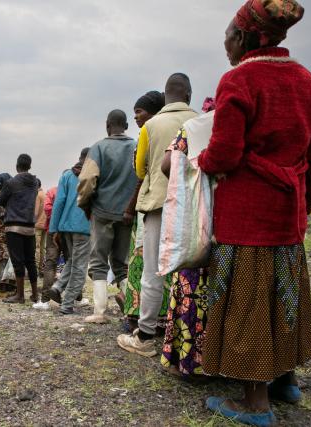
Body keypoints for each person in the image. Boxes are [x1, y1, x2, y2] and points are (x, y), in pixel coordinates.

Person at [199, 1, 311, 425]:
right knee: (283, 296)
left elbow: (226, 152)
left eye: (229, 37)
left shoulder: (240, 79)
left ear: (246, 37)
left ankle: (254, 404)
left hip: (247, 215)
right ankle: (286, 382)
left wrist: (197, 163)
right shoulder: (310, 82)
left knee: (249, 302)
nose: (226, 46)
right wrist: (301, 206)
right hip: (288, 213)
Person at [117, 73, 197, 355]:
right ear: (188, 95)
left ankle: (146, 335)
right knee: (189, 270)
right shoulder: (199, 121)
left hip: (158, 204)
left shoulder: (151, 126)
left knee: (153, 270)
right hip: (192, 207)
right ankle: (184, 336)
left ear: (166, 96)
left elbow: (140, 170)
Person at [159, 99, 216, 378]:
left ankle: (189, 362)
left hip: (199, 218)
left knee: (192, 281)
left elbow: (167, 164)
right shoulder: (247, 124)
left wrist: (195, 173)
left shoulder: (193, 128)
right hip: (238, 219)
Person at [77, 110, 137, 323]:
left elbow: (87, 181)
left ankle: (99, 312)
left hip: (102, 212)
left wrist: (85, 204)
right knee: (122, 264)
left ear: (107, 125)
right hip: (128, 214)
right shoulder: (136, 147)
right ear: (127, 125)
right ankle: (131, 307)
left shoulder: (99, 148)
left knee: (99, 261)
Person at [122, 91, 167, 332]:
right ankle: (163, 318)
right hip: (172, 203)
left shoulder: (148, 132)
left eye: (139, 111)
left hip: (149, 203)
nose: (136, 117)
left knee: (144, 262)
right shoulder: (176, 127)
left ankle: (139, 318)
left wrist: (130, 208)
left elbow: (142, 174)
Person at [47, 147, 91, 315]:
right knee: (80, 266)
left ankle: (58, 287)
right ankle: (67, 303)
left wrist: (54, 229)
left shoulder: (66, 176)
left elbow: (59, 202)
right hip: (84, 226)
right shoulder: (93, 176)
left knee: (73, 261)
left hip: (66, 227)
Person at [0, 154, 39, 304]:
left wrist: (2, 212)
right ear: (30, 166)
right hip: (30, 227)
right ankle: (35, 295)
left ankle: (20, 296)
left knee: (17, 261)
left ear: (16, 165)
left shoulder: (11, 183)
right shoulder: (35, 183)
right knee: (31, 261)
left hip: (14, 226)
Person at [34, 180, 47, 277]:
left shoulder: (37, 195)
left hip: (37, 225)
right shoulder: (45, 194)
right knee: (42, 248)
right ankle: (42, 269)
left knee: (36, 248)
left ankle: (36, 270)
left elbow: (35, 212)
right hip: (45, 225)